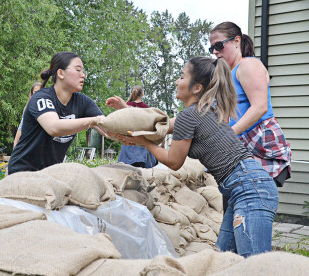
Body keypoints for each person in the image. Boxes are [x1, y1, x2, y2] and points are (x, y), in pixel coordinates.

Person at [112, 57, 279, 257]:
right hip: (245, 186)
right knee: (223, 258)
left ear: (197, 87)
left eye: (182, 77)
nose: (176, 81)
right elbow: (157, 124)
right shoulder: (202, 111)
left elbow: (174, 161)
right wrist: (126, 111)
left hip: (249, 188)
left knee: (254, 265)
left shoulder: (189, 116)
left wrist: (145, 144)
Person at [209, 22, 291, 188]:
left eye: (219, 45)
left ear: (237, 41)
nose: (215, 51)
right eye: (212, 48)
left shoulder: (248, 65)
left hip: (259, 147)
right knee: (234, 209)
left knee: (252, 207)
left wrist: (226, 136)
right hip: (238, 150)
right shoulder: (227, 74)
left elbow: (260, 107)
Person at [7, 51, 105, 174]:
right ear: (60, 73)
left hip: (51, 174)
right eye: (78, 70)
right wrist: (92, 121)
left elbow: (107, 128)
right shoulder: (41, 98)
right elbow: (53, 127)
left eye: (83, 71)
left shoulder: (83, 102)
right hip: (23, 172)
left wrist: (128, 129)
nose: (83, 75)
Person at [117, 85, 157, 168]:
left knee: (125, 167)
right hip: (141, 141)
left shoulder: (126, 105)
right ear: (142, 94)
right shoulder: (146, 108)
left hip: (128, 140)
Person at [13, 82, 42, 148]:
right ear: (32, 94)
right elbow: (22, 126)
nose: (38, 94)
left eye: (40, 92)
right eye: (35, 92)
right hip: (29, 142)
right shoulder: (28, 108)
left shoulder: (47, 108)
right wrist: (15, 143)